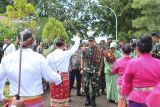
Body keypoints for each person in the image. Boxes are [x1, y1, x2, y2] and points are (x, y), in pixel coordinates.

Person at [0, 30, 62, 107]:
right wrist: (59, 77)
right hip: (34, 102)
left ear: (17, 41)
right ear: (32, 41)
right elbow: (50, 77)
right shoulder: (39, 58)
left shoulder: (6, 59)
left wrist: (1, 98)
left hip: (14, 102)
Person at [122, 35, 160, 107]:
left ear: (138, 48)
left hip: (136, 100)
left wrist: (125, 94)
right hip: (155, 100)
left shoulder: (132, 63)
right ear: (151, 48)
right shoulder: (158, 63)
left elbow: (126, 82)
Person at [46, 32, 81, 107]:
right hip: (64, 78)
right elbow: (75, 47)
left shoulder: (49, 56)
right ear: (64, 45)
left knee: (54, 96)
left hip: (53, 77)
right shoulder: (66, 54)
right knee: (63, 96)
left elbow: (46, 69)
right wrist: (77, 37)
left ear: (55, 45)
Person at [80, 36, 103, 106]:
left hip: (95, 71)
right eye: (89, 41)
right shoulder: (85, 49)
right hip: (86, 70)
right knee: (86, 85)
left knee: (94, 86)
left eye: (92, 41)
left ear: (94, 41)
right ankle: (88, 99)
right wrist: (81, 68)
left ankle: (93, 100)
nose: (90, 42)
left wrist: (99, 70)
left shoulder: (99, 50)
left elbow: (101, 61)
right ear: (88, 41)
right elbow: (82, 59)